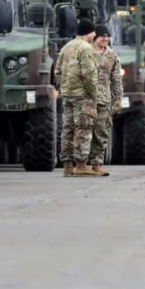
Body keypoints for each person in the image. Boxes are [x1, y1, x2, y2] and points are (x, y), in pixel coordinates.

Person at [56, 18, 101, 177]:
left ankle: (67, 165)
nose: (95, 35)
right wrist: (94, 94)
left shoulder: (66, 47)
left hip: (67, 94)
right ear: (88, 32)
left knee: (67, 129)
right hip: (83, 95)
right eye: (93, 32)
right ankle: (81, 164)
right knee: (83, 128)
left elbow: (58, 71)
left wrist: (64, 87)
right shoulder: (86, 49)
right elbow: (89, 74)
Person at [88, 24, 122, 176]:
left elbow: (116, 80)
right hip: (86, 98)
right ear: (95, 37)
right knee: (82, 131)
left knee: (101, 132)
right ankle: (78, 162)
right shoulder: (85, 53)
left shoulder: (112, 55)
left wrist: (117, 100)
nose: (106, 39)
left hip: (104, 99)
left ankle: (97, 163)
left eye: (108, 36)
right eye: (103, 36)